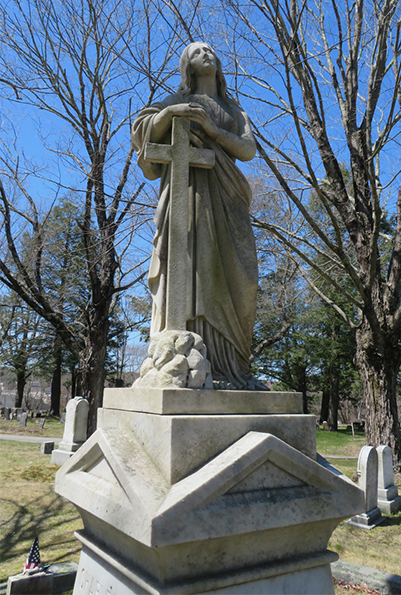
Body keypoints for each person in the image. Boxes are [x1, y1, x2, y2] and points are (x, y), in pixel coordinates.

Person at [132, 42, 264, 390]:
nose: (205, 53)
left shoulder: (234, 110)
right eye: (196, 51)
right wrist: (170, 114)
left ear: (218, 63)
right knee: (191, 265)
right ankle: (190, 356)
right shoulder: (173, 101)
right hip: (186, 194)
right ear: (187, 66)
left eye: (209, 50)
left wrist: (212, 129)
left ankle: (232, 366)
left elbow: (248, 149)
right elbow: (142, 130)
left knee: (243, 279)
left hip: (227, 195)